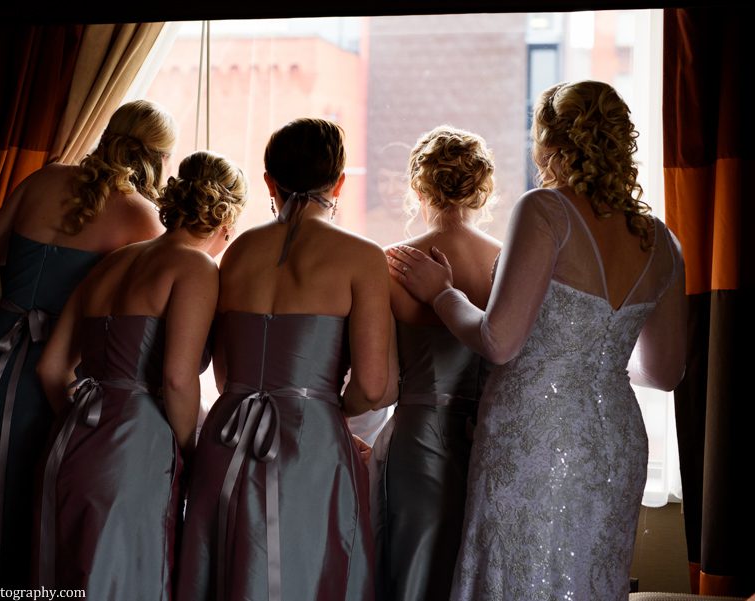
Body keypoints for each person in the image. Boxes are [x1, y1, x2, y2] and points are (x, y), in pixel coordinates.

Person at [387, 80, 687, 601]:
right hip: (614, 439)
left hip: (537, 433)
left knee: (517, 576)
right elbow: (663, 373)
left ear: (550, 142)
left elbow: (498, 342)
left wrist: (442, 294)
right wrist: (595, 353)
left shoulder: (546, 210)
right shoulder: (660, 239)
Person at [0, 100, 176, 587]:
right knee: (25, 501)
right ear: (159, 159)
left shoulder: (44, 178)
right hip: (57, 373)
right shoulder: (141, 217)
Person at [176, 118, 392, 601]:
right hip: (308, 441)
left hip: (229, 433)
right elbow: (375, 386)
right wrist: (322, 407)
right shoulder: (361, 256)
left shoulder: (236, 254)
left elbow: (225, 370)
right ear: (338, 182)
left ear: (270, 181)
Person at [33, 150, 247, 599]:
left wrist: (87, 421)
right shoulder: (195, 267)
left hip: (70, 440)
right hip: (135, 447)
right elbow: (177, 380)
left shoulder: (111, 263)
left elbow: (51, 367)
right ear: (227, 221)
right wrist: (191, 451)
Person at [370, 125, 500, 601]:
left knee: (414, 561)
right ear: (482, 188)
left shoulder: (392, 265)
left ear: (418, 187)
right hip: (486, 437)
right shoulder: (506, 264)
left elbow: (380, 383)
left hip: (417, 437)